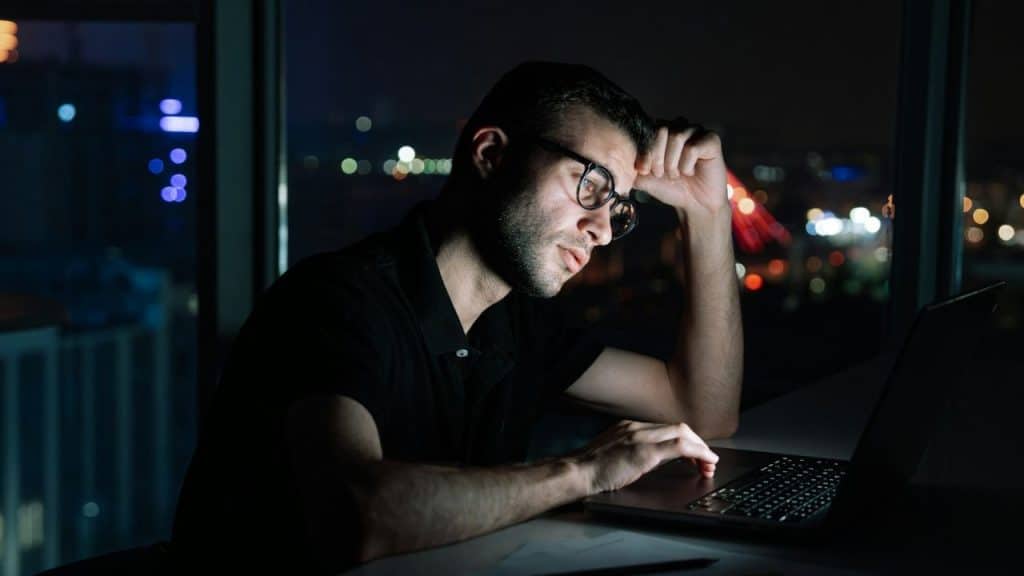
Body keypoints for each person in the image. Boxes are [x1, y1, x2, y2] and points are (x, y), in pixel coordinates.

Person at [170, 61, 742, 574]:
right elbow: (357, 513)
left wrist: (708, 214)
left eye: (617, 209)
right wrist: (584, 471)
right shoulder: (333, 303)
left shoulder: (514, 321)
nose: (600, 229)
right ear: (491, 153)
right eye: (589, 185)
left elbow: (704, 408)